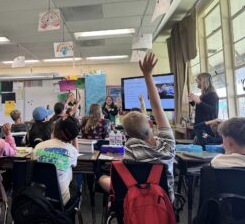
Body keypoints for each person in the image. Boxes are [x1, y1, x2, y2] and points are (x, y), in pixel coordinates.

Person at [98, 53, 176, 201]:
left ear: (126, 133)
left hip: (135, 201)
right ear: (150, 124)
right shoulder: (168, 144)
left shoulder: (130, 149)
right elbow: (157, 107)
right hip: (163, 202)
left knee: (103, 178)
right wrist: (147, 75)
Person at [32, 116, 79, 205]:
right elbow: (75, 162)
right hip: (60, 201)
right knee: (74, 176)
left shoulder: (39, 146)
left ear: (54, 128)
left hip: (39, 198)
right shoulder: (72, 151)